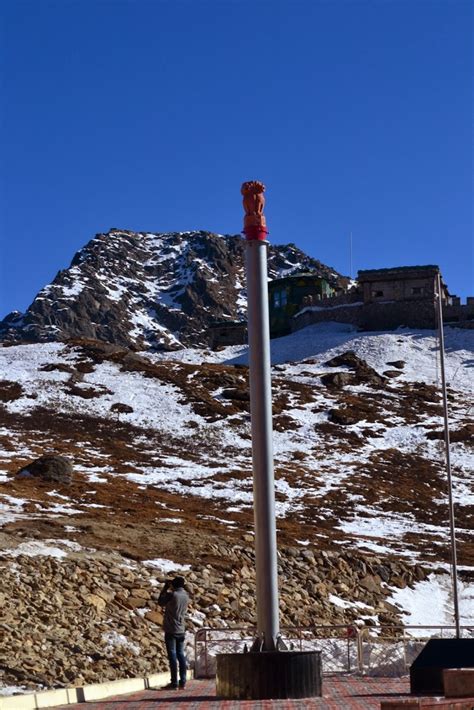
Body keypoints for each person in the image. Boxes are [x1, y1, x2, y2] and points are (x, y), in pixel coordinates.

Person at [158, 576, 189, 690]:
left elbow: (160, 601)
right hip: (181, 628)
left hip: (171, 629)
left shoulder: (172, 595)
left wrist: (165, 587)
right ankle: (183, 681)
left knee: (172, 656)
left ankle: (174, 682)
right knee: (181, 655)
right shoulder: (186, 595)